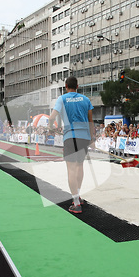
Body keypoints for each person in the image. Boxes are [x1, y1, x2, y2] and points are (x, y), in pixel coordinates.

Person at [48, 76, 94, 214]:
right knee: (79, 166)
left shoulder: (62, 99)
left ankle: (76, 202)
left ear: (66, 86)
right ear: (77, 86)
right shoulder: (85, 99)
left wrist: (51, 127)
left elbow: (51, 117)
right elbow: (90, 121)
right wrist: (93, 138)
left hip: (70, 136)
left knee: (71, 169)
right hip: (84, 136)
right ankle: (78, 195)